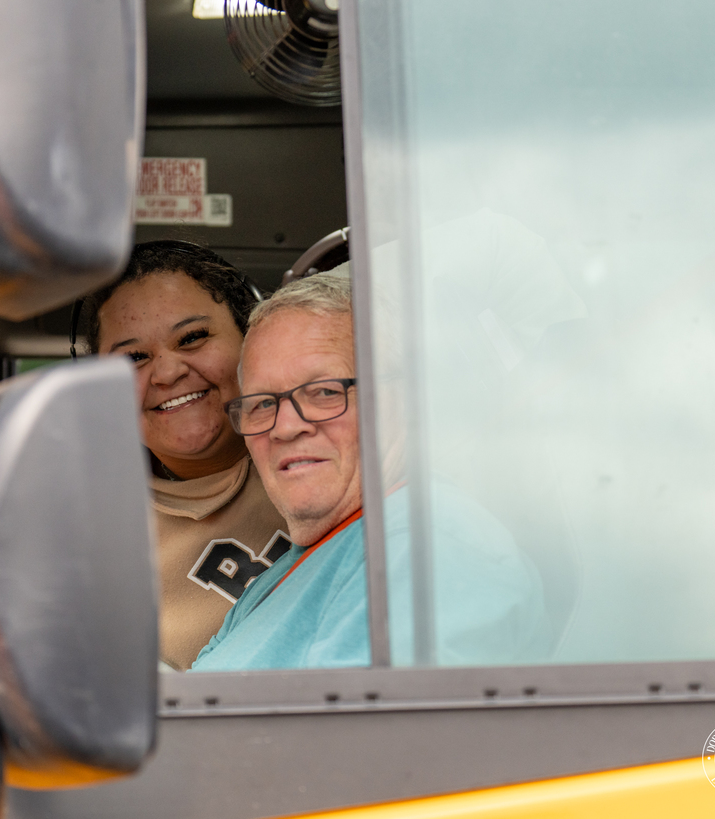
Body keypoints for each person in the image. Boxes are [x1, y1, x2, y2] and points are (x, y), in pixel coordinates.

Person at [192, 272, 548, 671]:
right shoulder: (296, 567)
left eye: (325, 392)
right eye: (262, 403)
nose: (285, 427)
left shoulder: (428, 550)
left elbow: (362, 731)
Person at [86, 240, 288, 671]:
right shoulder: (79, 534)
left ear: (253, 338)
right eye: (134, 357)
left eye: (193, 338)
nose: (168, 371)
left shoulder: (335, 460)